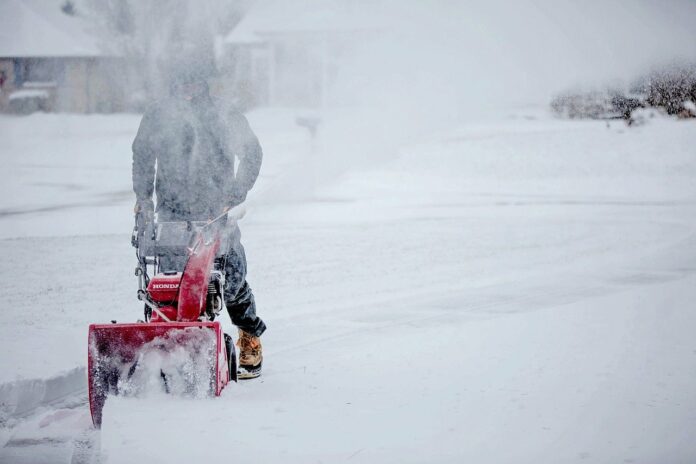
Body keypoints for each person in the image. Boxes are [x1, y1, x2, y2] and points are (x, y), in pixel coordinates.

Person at [131, 67, 266, 379]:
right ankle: (166, 346)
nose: (187, 88)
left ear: (203, 83)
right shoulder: (158, 116)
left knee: (230, 278)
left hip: (216, 211)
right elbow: (142, 156)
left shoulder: (224, 114)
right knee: (169, 283)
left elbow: (252, 154)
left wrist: (233, 195)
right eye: (181, 81)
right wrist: (143, 199)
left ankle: (249, 335)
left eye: (192, 81)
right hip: (171, 213)